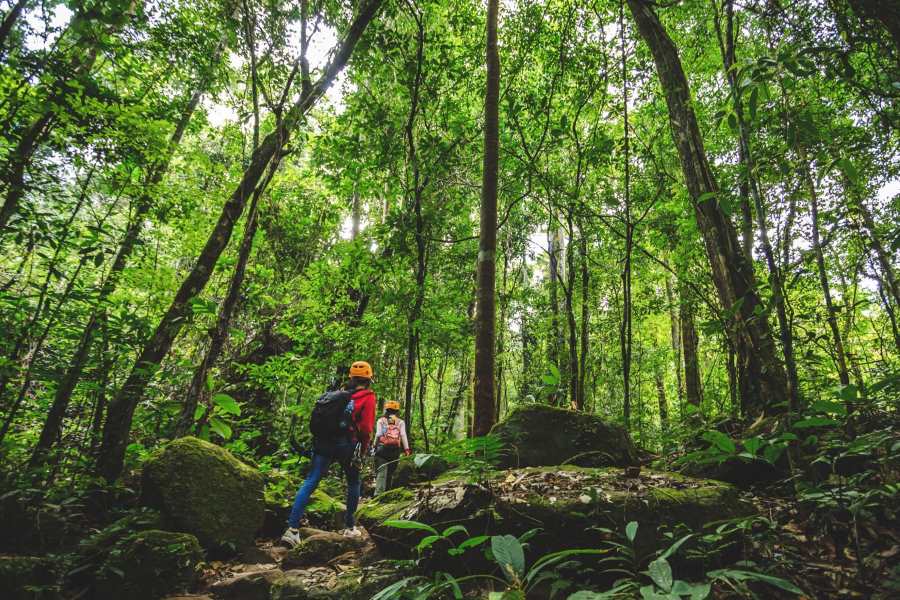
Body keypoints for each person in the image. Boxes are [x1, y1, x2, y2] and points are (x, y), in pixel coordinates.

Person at [281, 361, 376, 545]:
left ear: (351, 377)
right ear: (368, 379)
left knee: (311, 481)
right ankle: (350, 527)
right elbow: (366, 429)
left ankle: (291, 529)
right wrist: (363, 450)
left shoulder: (338, 394)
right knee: (353, 481)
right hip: (347, 444)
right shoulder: (368, 397)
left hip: (323, 443)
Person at [373, 401, 411, 496]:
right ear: (397, 411)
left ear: (386, 410)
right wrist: (407, 449)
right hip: (395, 450)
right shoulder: (400, 422)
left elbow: (378, 434)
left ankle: (378, 494)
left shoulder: (381, 421)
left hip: (382, 449)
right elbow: (403, 435)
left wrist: (374, 446)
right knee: (390, 473)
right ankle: (387, 494)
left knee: (381, 472)